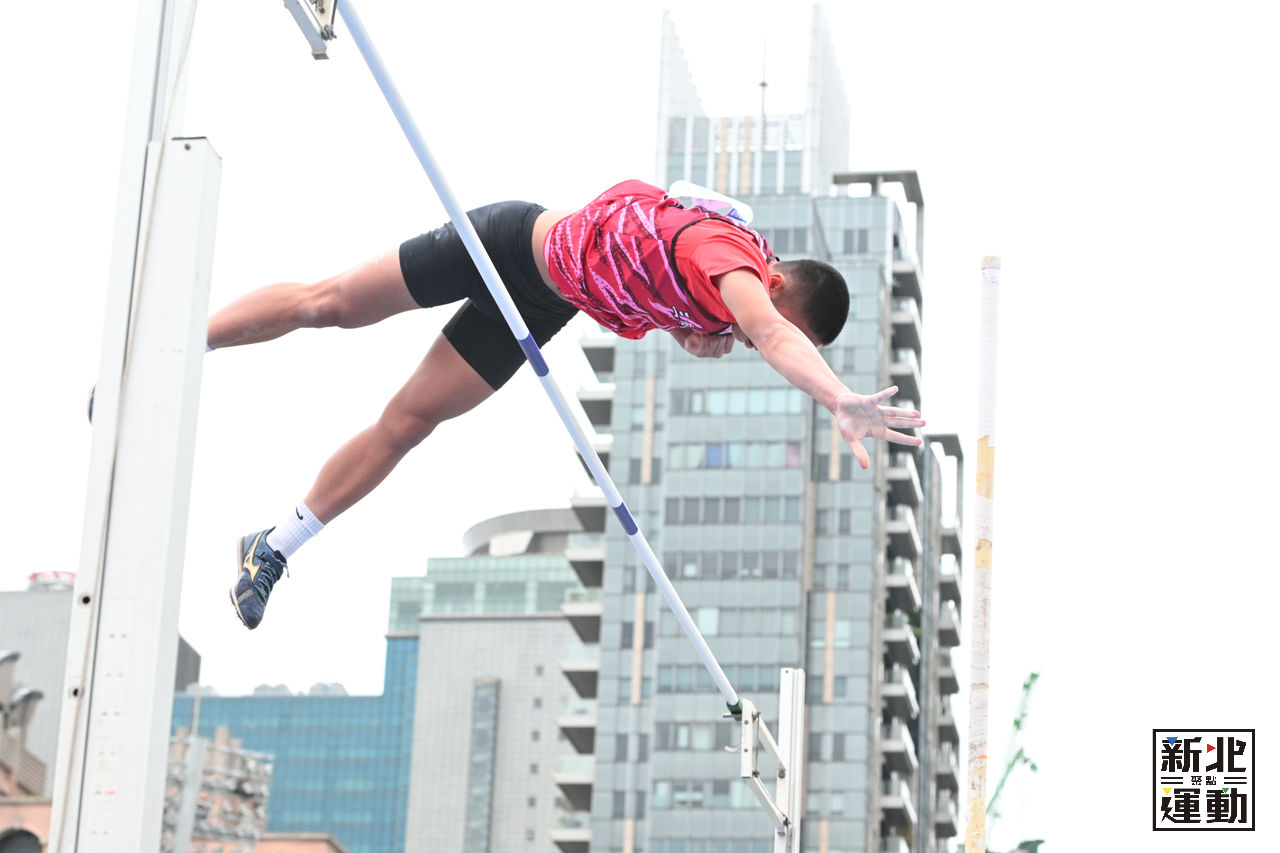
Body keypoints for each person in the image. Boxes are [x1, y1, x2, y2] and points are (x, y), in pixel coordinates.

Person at [217, 179, 925, 629]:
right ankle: (185, 334)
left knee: (407, 423)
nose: (750, 339)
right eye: (781, 326)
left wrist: (684, 328)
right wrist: (837, 396)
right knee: (332, 305)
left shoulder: (726, 293)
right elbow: (768, 330)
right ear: (773, 284)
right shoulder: (733, 260)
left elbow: (657, 266)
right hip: (506, 244)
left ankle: (272, 546)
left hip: (541, 302)